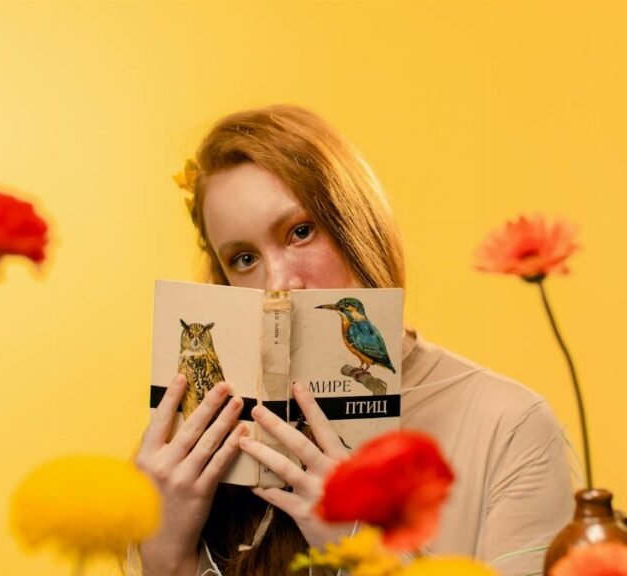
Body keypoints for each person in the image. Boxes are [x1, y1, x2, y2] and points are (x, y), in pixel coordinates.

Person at [134, 105, 573, 576]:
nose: (279, 283)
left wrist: (365, 546)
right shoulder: (204, 443)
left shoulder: (509, 426)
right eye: (243, 259)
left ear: (357, 226)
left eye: (300, 232)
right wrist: (166, 553)